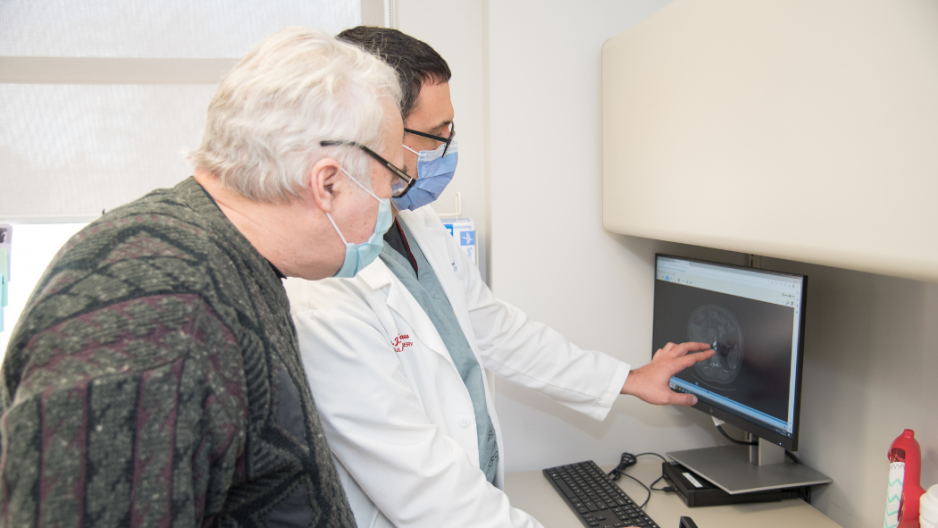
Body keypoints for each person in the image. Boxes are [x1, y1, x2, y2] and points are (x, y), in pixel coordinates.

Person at [283, 27, 716, 528]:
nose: (448, 147)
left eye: (452, 129)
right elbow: (426, 488)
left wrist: (626, 379)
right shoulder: (321, 289)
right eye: (436, 133)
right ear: (378, 132)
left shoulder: (419, 224)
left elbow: (498, 331)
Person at [0, 26, 409, 527]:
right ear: (327, 183)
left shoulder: (228, 261)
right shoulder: (162, 306)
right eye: (392, 183)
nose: (392, 206)